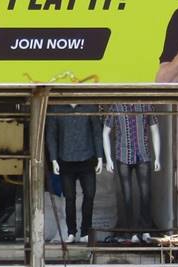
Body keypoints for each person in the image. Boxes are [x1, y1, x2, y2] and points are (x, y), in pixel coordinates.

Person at [45, 103, 103, 244]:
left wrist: (100, 157)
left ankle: (85, 232)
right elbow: (51, 135)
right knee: (69, 198)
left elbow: (97, 132)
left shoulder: (90, 107)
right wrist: (53, 159)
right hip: (65, 159)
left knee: (89, 195)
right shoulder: (56, 108)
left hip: (87, 158)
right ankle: (71, 232)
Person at [105, 103, 161, 242]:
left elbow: (155, 130)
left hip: (143, 155)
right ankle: (131, 232)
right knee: (127, 196)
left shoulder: (147, 106)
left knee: (146, 194)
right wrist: (108, 158)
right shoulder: (116, 107)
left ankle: (146, 230)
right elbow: (105, 132)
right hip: (122, 155)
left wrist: (157, 158)